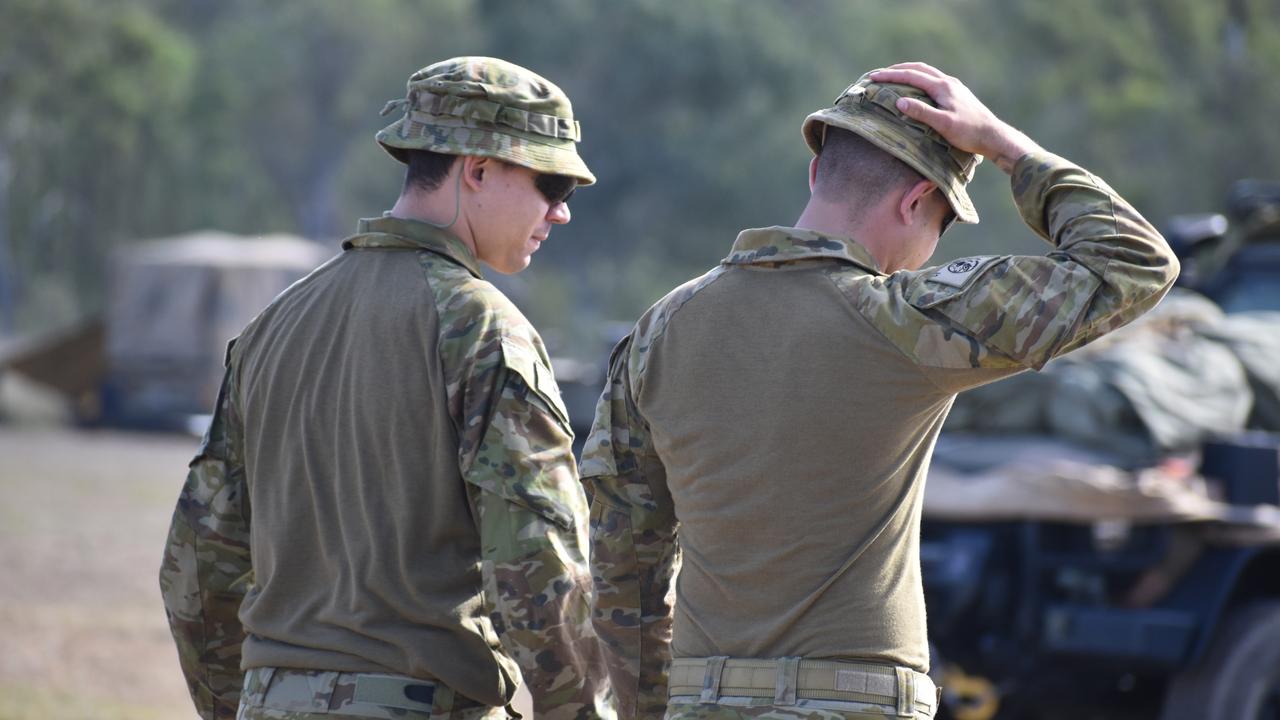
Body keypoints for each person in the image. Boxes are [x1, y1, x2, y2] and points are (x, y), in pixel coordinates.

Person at [582, 61, 1179, 719]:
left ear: (816, 172)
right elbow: (1133, 261)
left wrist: (659, 704)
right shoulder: (908, 321)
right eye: (942, 223)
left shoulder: (660, 330)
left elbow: (621, 558)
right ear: (917, 200)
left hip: (699, 702)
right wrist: (1007, 146)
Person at [159, 57, 616, 720]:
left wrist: (244, 704)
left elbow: (198, 563)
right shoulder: (483, 328)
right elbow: (541, 569)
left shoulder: (273, 325)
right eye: (552, 183)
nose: (562, 212)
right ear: (478, 169)